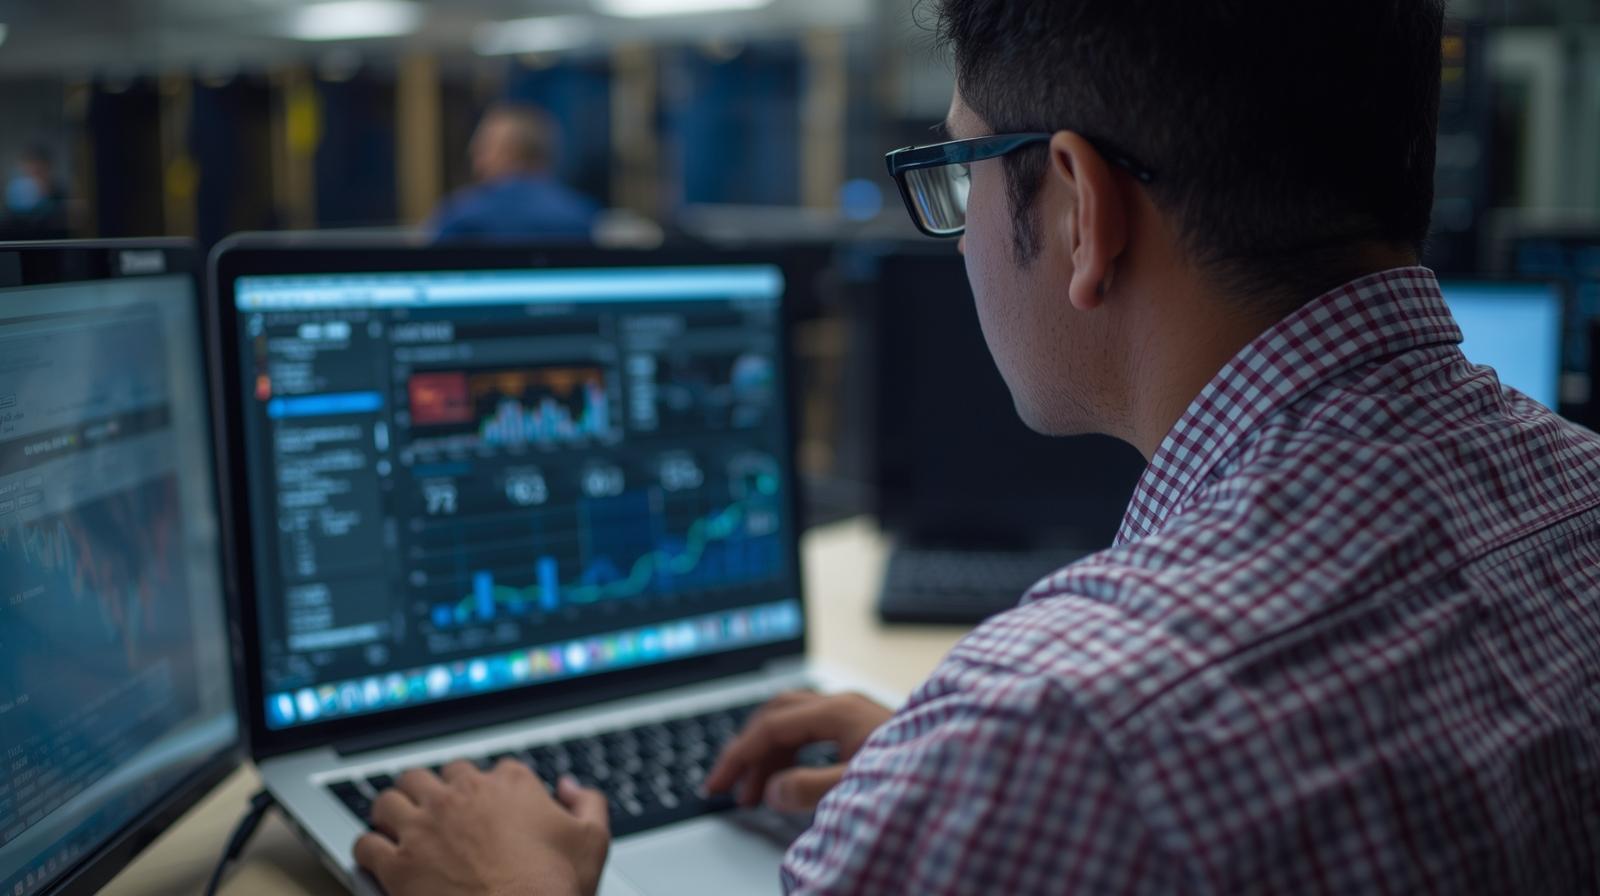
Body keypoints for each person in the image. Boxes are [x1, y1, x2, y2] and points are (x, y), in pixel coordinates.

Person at [354, 1, 1600, 893]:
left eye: (956, 173)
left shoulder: (1053, 728)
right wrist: (954, 807)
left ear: (1077, 206)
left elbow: (1107, 748)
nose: (952, 239)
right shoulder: (1579, 497)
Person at [427, 103, 598, 242]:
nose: (474, 157)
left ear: (511, 152)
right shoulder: (580, 214)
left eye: (483, 149)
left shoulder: (463, 216)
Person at [1, 144, 69, 240]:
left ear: (48, 168)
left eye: (38, 169)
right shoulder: (15, 199)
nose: (33, 172)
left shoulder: (60, 196)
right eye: (29, 167)